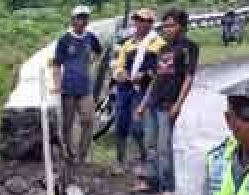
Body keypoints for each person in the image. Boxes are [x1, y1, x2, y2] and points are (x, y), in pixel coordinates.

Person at [136, 8, 199, 195]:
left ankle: (168, 186)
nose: (168, 29)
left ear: (182, 26)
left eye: (172, 25)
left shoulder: (189, 48)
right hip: (153, 103)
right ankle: (152, 181)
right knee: (150, 144)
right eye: (165, 25)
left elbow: (188, 79)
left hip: (168, 104)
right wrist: (143, 104)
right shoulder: (162, 49)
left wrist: (178, 105)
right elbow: (155, 80)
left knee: (164, 147)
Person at [50, 5, 104, 163]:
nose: (82, 21)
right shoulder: (65, 39)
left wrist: (91, 63)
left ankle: (82, 153)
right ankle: (68, 152)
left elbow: (98, 51)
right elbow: (56, 64)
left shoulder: (91, 37)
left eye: (85, 17)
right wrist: (57, 84)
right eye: (79, 17)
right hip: (68, 88)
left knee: (88, 120)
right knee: (67, 123)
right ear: (72, 20)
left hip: (85, 87)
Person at [112, 9, 164, 170]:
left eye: (144, 20)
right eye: (137, 20)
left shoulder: (158, 43)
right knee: (120, 124)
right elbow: (118, 66)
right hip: (125, 88)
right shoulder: (128, 44)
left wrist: (145, 74)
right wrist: (120, 73)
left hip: (144, 89)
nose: (139, 23)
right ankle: (120, 161)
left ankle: (144, 156)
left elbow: (161, 69)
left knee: (137, 126)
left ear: (151, 23)